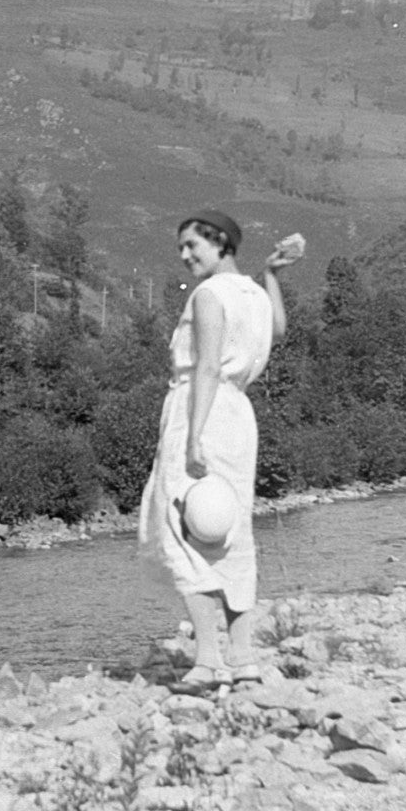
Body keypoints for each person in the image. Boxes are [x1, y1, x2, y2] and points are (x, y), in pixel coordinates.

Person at [138, 211, 301, 690]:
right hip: (239, 416)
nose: (186, 256)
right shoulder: (252, 293)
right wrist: (271, 276)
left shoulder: (209, 294)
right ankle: (244, 656)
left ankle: (208, 660)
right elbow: (279, 331)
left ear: (221, 242)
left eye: (193, 246)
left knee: (182, 529)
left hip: (200, 409)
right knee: (231, 531)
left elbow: (206, 367)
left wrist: (191, 437)